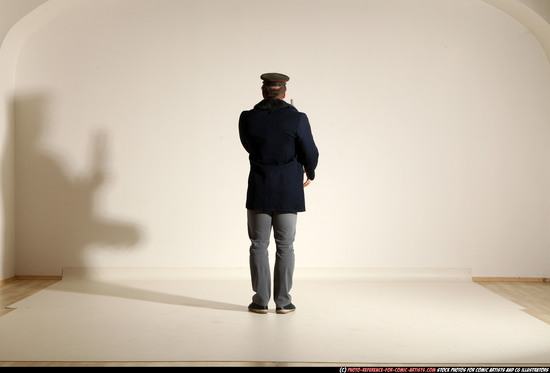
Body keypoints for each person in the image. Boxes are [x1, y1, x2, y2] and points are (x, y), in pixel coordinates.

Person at [238, 73, 319, 314]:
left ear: (263, 92)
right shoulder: (298, 118)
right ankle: (283, 302)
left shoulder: (247, 118)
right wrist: (309, 171)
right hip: (288, 190)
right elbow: (310, 151)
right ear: (284, 93)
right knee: (285, 246)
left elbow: (248, 145)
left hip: (259, 187)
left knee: (258, 245)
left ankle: (260, 301)